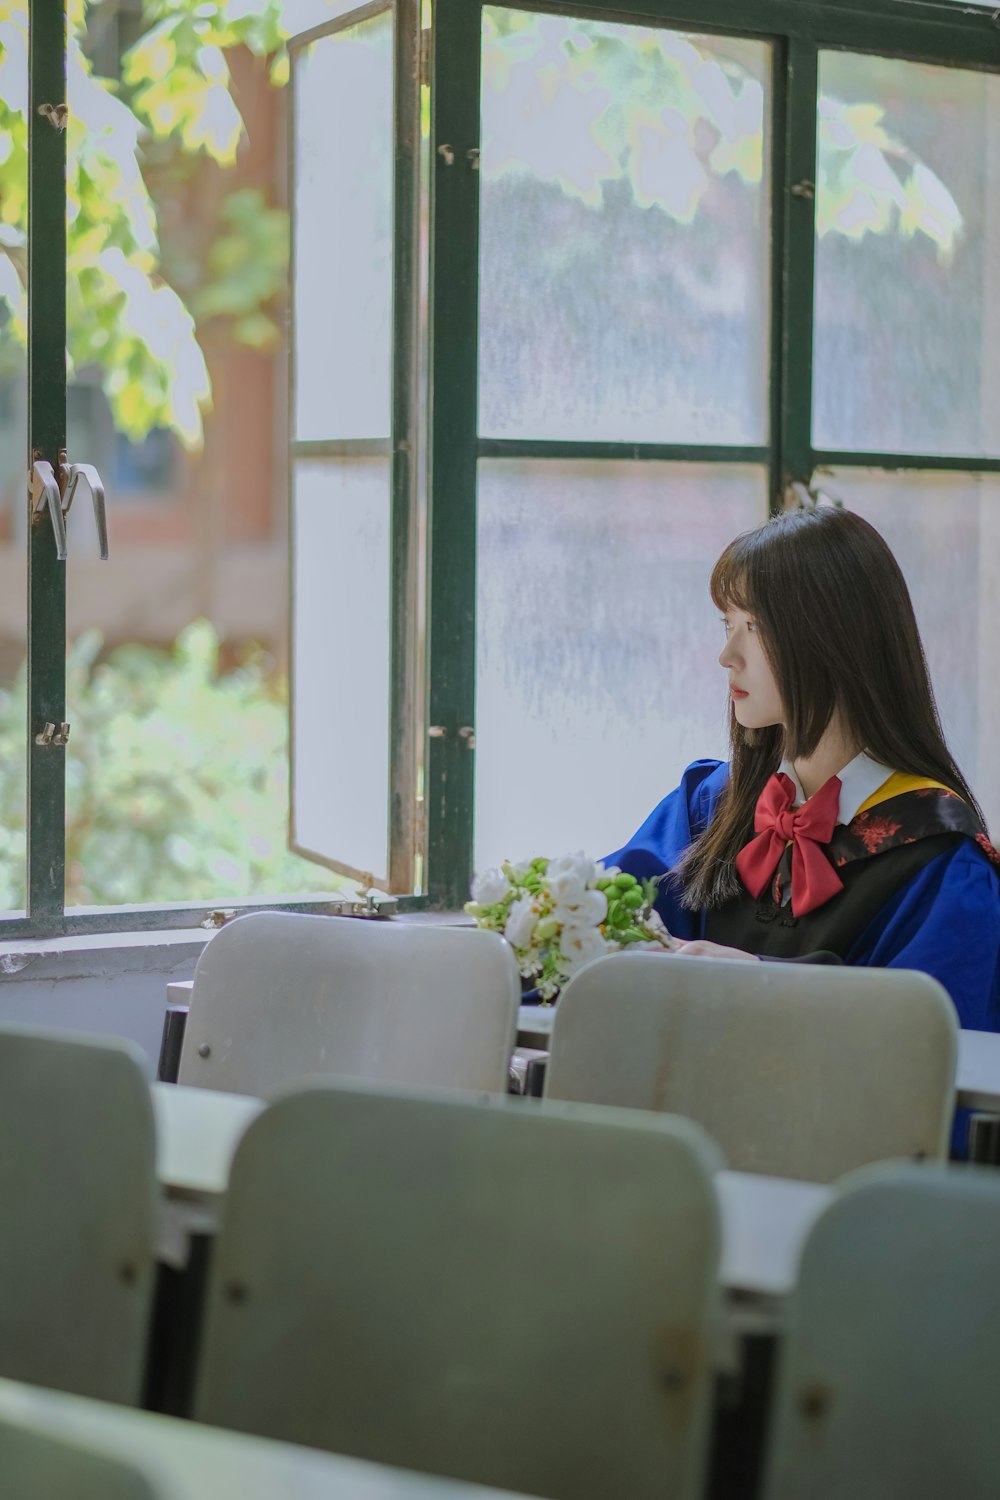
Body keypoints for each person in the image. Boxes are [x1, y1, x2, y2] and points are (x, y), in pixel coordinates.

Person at [604, 505, 1000, 1038]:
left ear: (835, 640)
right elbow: (600, 925)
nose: (727, 655)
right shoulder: (712, 804)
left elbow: (924, 1053)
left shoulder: (939, 860)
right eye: (728, 624)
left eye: (754, 626)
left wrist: (763, 986)